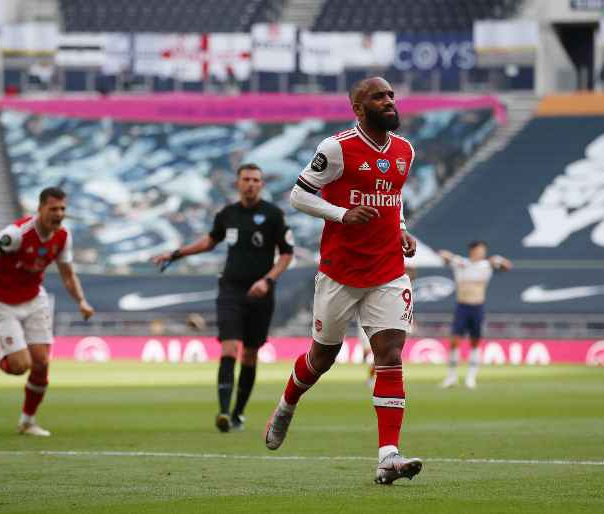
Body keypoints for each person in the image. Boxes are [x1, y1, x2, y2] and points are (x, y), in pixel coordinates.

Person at [264, 76, 422, 485]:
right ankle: (286, 404)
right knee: (322, 359)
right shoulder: (336, 148)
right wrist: (340, 214)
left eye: (390, 95)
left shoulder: (405, 150)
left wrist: (400, 226)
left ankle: (388, 455)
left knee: (389, 353)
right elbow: (299, 195)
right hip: (340, 273)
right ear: (358, 108)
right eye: (379, 97)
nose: (389, 101)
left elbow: (392, 196)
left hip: (387, 271)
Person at [0, 187, 94, 436]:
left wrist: (82, 301)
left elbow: (68, 274)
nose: (59, 213)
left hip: (34, 299)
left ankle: (27, 421)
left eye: (63, 209)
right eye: (53, 209)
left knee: (42, 363)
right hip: (2, 303)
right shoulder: (16, 235)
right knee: (20, 366)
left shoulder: (63, 237)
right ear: (40, 209)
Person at [152, 164, 294, 433]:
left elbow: (286, 253)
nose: (251, 184)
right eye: (246, 179)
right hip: (230, 290)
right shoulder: (227, 214)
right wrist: (175, 254)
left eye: (255, 180)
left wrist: (268, 280)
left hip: (261, 292)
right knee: (229, 348)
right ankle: (224, 412)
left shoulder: (273, 215)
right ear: (237, 183)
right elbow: (209, 241)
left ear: (262, 185)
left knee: (250, 355)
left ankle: (238, 413)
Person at [439, 242, 512, 389]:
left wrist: (498, 260)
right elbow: (443, 254)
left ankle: (471, 378)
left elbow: (508, 266)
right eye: (479, 250)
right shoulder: (461, 263)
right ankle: (451, 376)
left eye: (483, 251)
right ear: (472, 251)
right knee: (454, 341)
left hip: (477, 307)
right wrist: (451, 257)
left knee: (475, 342)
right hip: (462, 306)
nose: (482, 253)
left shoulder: (487, 265)